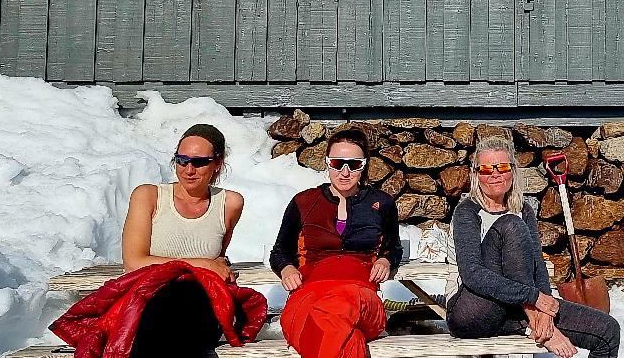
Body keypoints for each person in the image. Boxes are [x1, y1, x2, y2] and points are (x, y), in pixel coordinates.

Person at [447, 136, 621, 358]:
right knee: (510, 225)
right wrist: (535, 299)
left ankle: (536, 320)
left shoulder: (524, 210)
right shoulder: (467, 212)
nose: (495, 174)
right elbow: (473, 275)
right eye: (486, 169)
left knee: (607, 331)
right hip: (473, 311)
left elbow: (537, 266)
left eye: (502, 167)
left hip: (515, 309)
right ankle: (533, 318)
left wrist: (546, 312)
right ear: (476, 174)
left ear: (512, 171)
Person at [103, 123, 258, 357]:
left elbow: (217, 256)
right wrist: (201, 264)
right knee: (167, 310)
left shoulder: (229, 203)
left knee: (186, 304)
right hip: (150, 294)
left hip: (202, 299)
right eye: (182, 160)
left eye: (199, 162)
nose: (188, 170)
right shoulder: (149, 196)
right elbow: (134, 262)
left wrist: (211, 265)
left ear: (217, 163)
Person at [269, 128, 402, 358]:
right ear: (328, 162)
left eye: (354, 164)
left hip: (359, 296)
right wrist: (287, 267)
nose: (345, 172)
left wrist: (385, 260)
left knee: (331, 315)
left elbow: (394, 247)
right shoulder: (304, 202)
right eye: (337, 163)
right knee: (349, 341)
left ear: (364, 165)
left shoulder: (382, 203)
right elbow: (280, 251)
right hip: (309, 293)